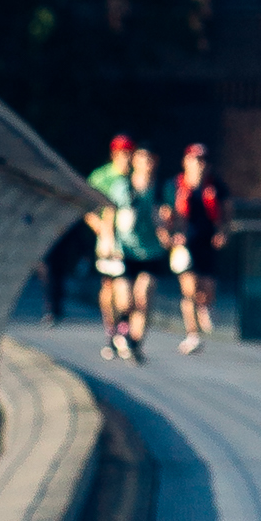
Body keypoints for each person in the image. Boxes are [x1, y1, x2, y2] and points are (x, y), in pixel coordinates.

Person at [86, 137, 160, 364]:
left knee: (141, 296)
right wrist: (104, 235)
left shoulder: (158, 188)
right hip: (116, 247)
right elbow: (92, 209)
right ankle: (114, 331)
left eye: (129, 152)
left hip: (147, 252)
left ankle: (131, 340)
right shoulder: (105, 178)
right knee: (114, 292)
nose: (125, 157)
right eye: (121, 152)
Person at [166, 142, 231, 354]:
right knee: (189, 290)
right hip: (185, 245)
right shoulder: (175, 186)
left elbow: (227, 214)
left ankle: (204, 307)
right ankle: (192, 335)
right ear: (186, 162)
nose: (199, 165)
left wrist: (223, 232)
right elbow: (166, 213)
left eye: (202, 161)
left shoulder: (217, 187)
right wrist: (171, 234)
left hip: (207, 244)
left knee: (207, 290)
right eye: (195, 160)